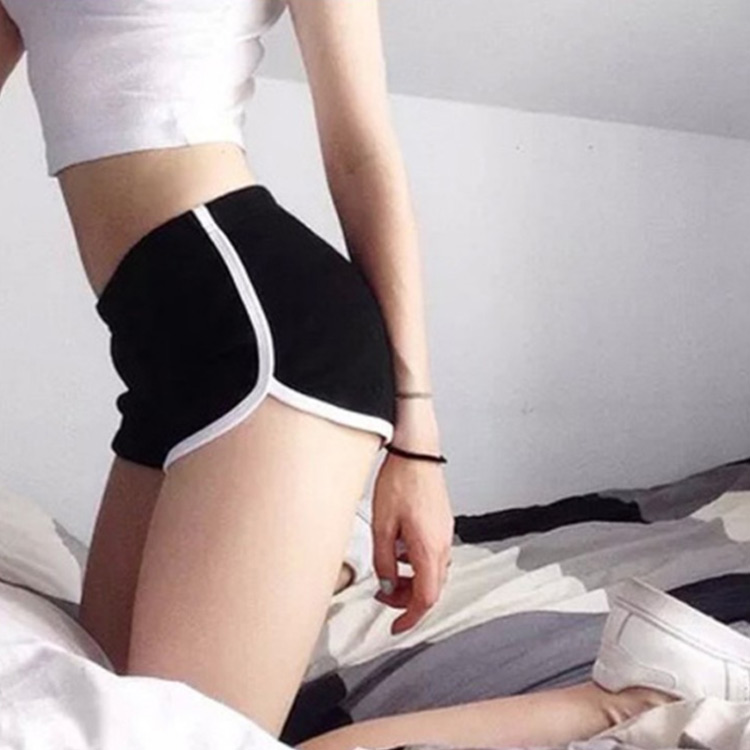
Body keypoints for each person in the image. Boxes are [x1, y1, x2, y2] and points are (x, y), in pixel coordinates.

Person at [3, 3, 748, 750]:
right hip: (160, 354)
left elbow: (361, 154)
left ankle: (619, 702)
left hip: (269, 344)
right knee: (94, 702)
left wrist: (416, 446)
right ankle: (324, 553)